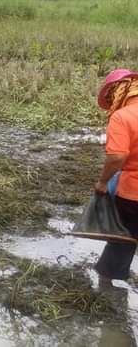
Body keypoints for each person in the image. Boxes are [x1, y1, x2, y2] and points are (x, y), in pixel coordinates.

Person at [93, 69, 138, 286]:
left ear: (120, 91)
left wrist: (102, 182)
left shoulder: (123, 117)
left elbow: (118, 157)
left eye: (111, 98)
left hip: (133, 194)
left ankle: (107, 287)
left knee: (123, 240)